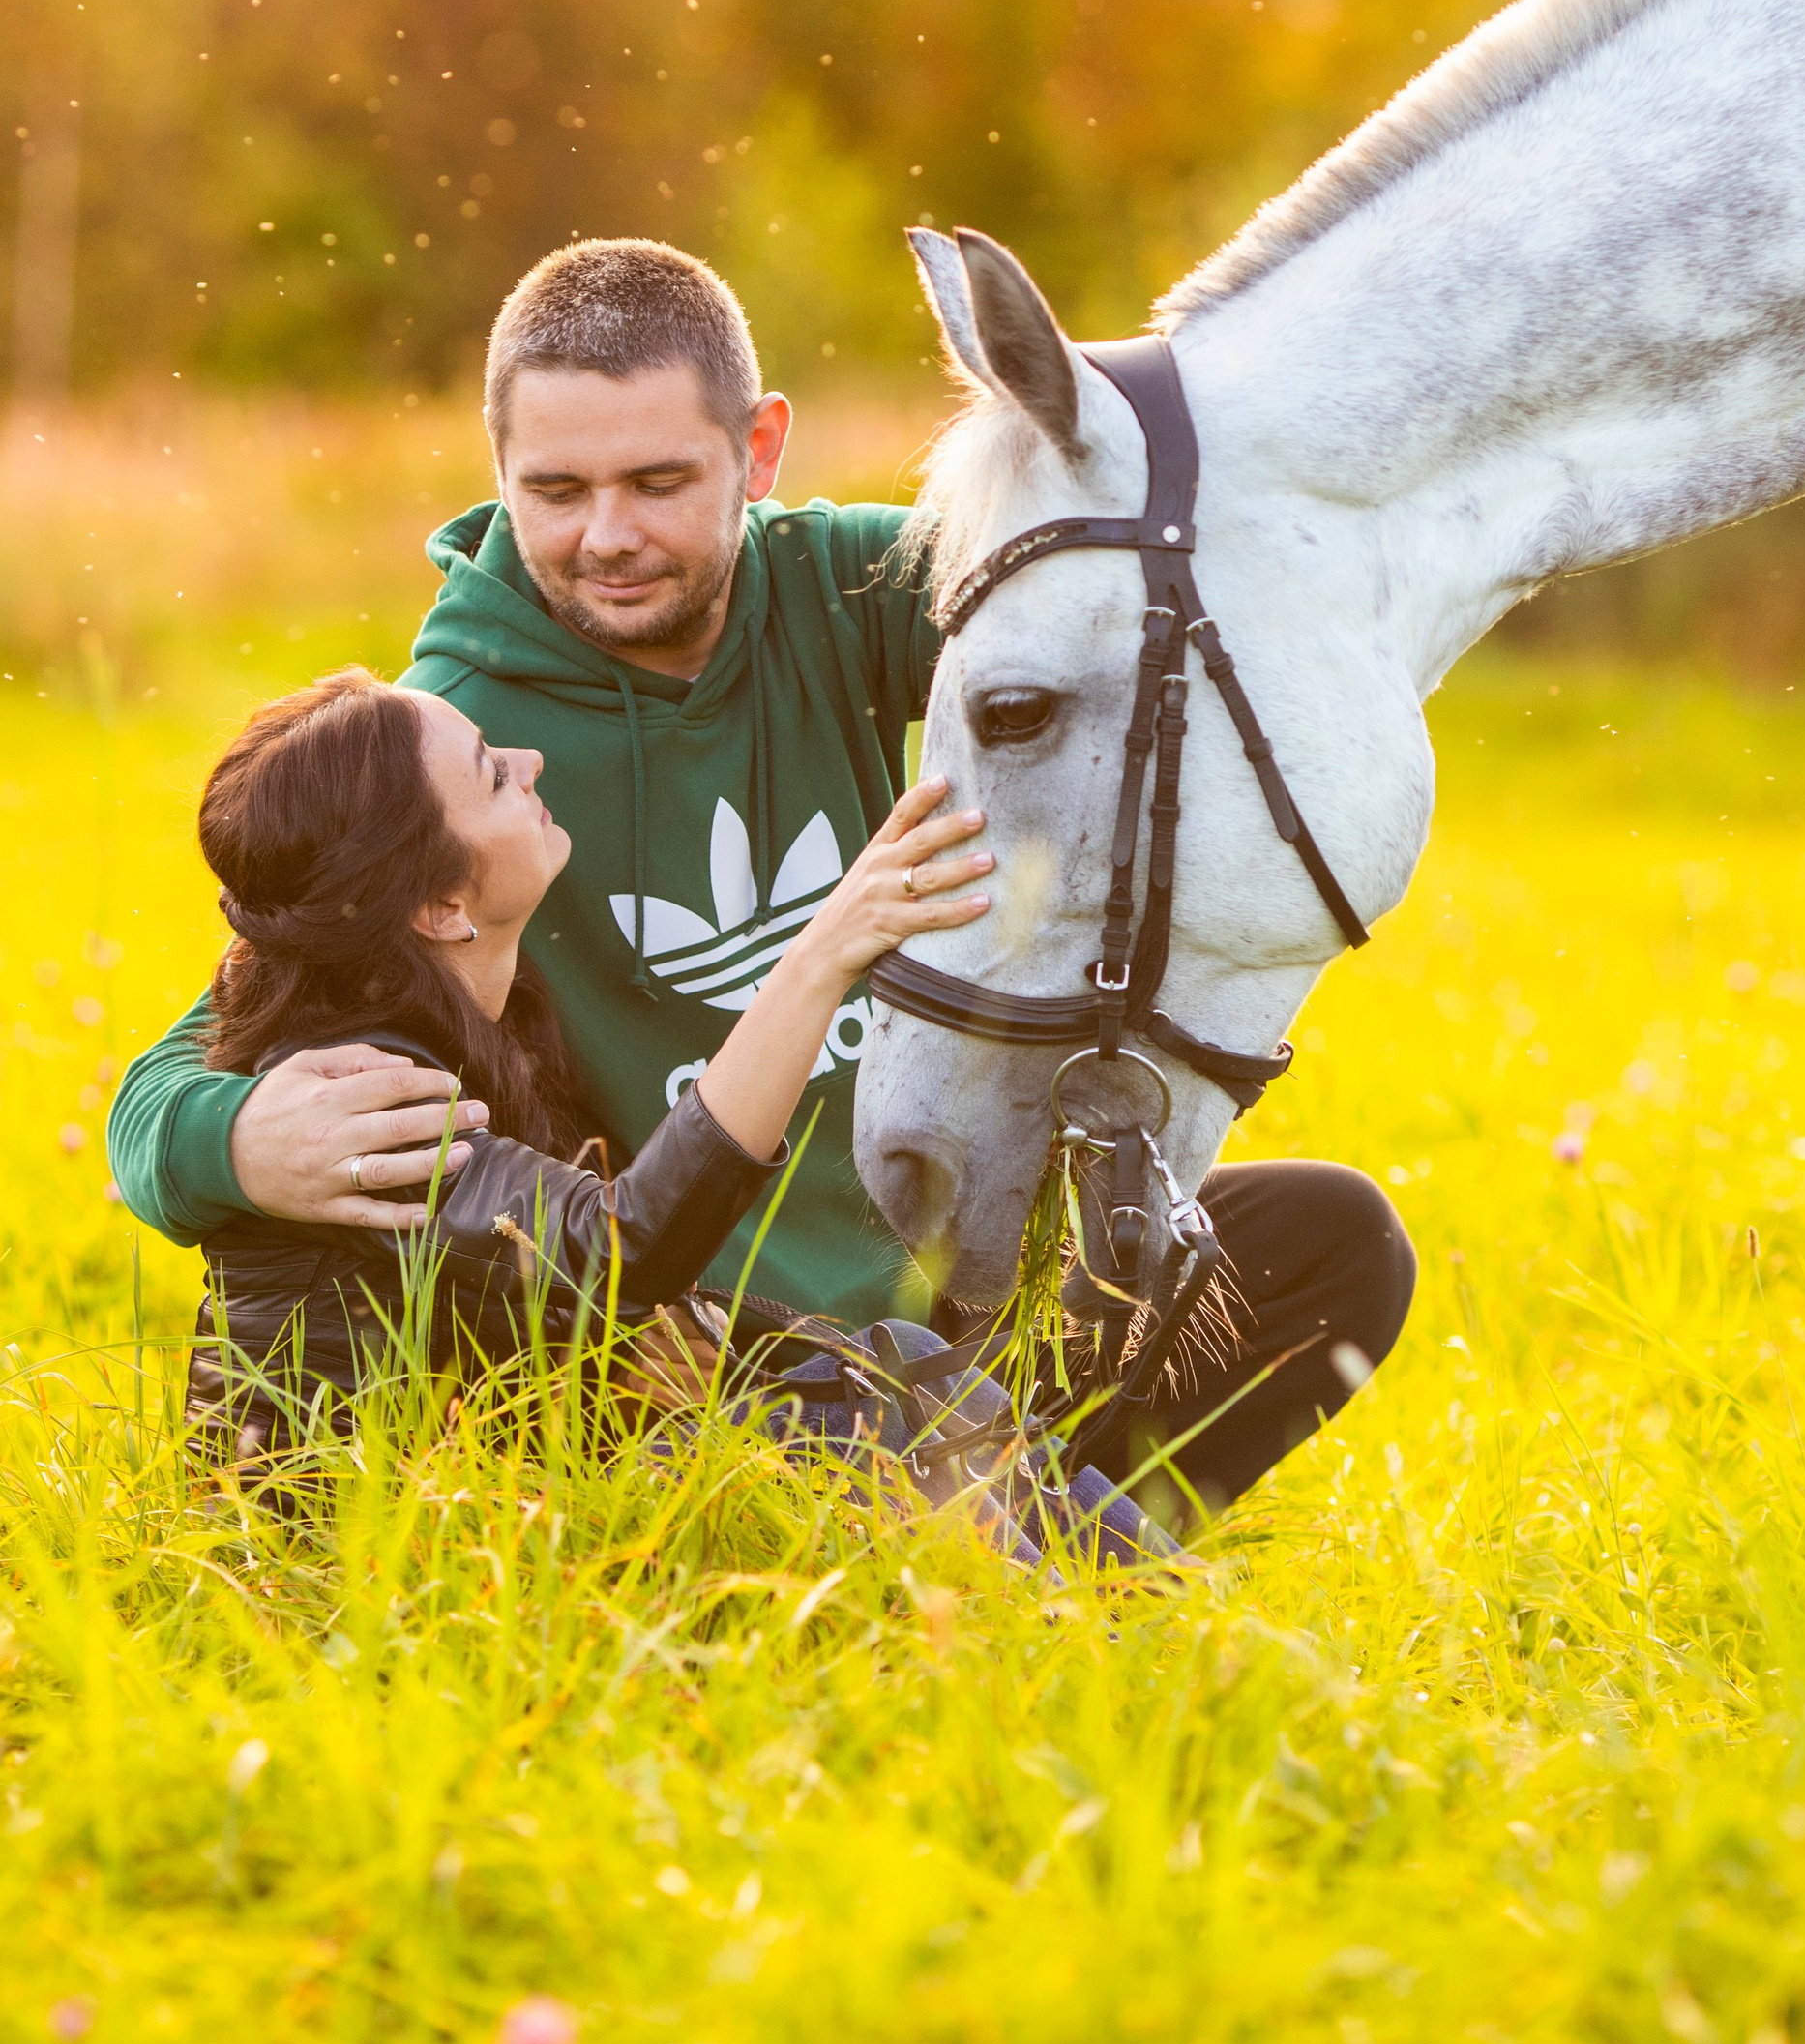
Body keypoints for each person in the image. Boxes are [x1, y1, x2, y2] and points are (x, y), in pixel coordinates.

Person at [112, 238, 1413, 1512]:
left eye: (660, 482)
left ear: (761, 449)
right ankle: (1036, 1556)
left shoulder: (846, 590)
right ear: (500, 471)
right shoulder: (463, 744)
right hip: (703, 1364)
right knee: (851, 1437)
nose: (607, 537)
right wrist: (227, 1140)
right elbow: (201, 1055)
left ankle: (1031, 1518)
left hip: (950, 1289)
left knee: (1330, 1247)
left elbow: (1123, 571)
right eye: (556, 491)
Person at [186, 660, 1167, 1550]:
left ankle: (1164, 1622)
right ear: (442, 908)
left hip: (503, 1497)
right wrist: (826, 951)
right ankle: (1083, 1643)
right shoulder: (364, 1096)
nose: (527, 761)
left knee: (895, 1366)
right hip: (354, 1557)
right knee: (841, 1422)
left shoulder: (477, 1006)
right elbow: (617, 1257)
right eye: (489, 771)